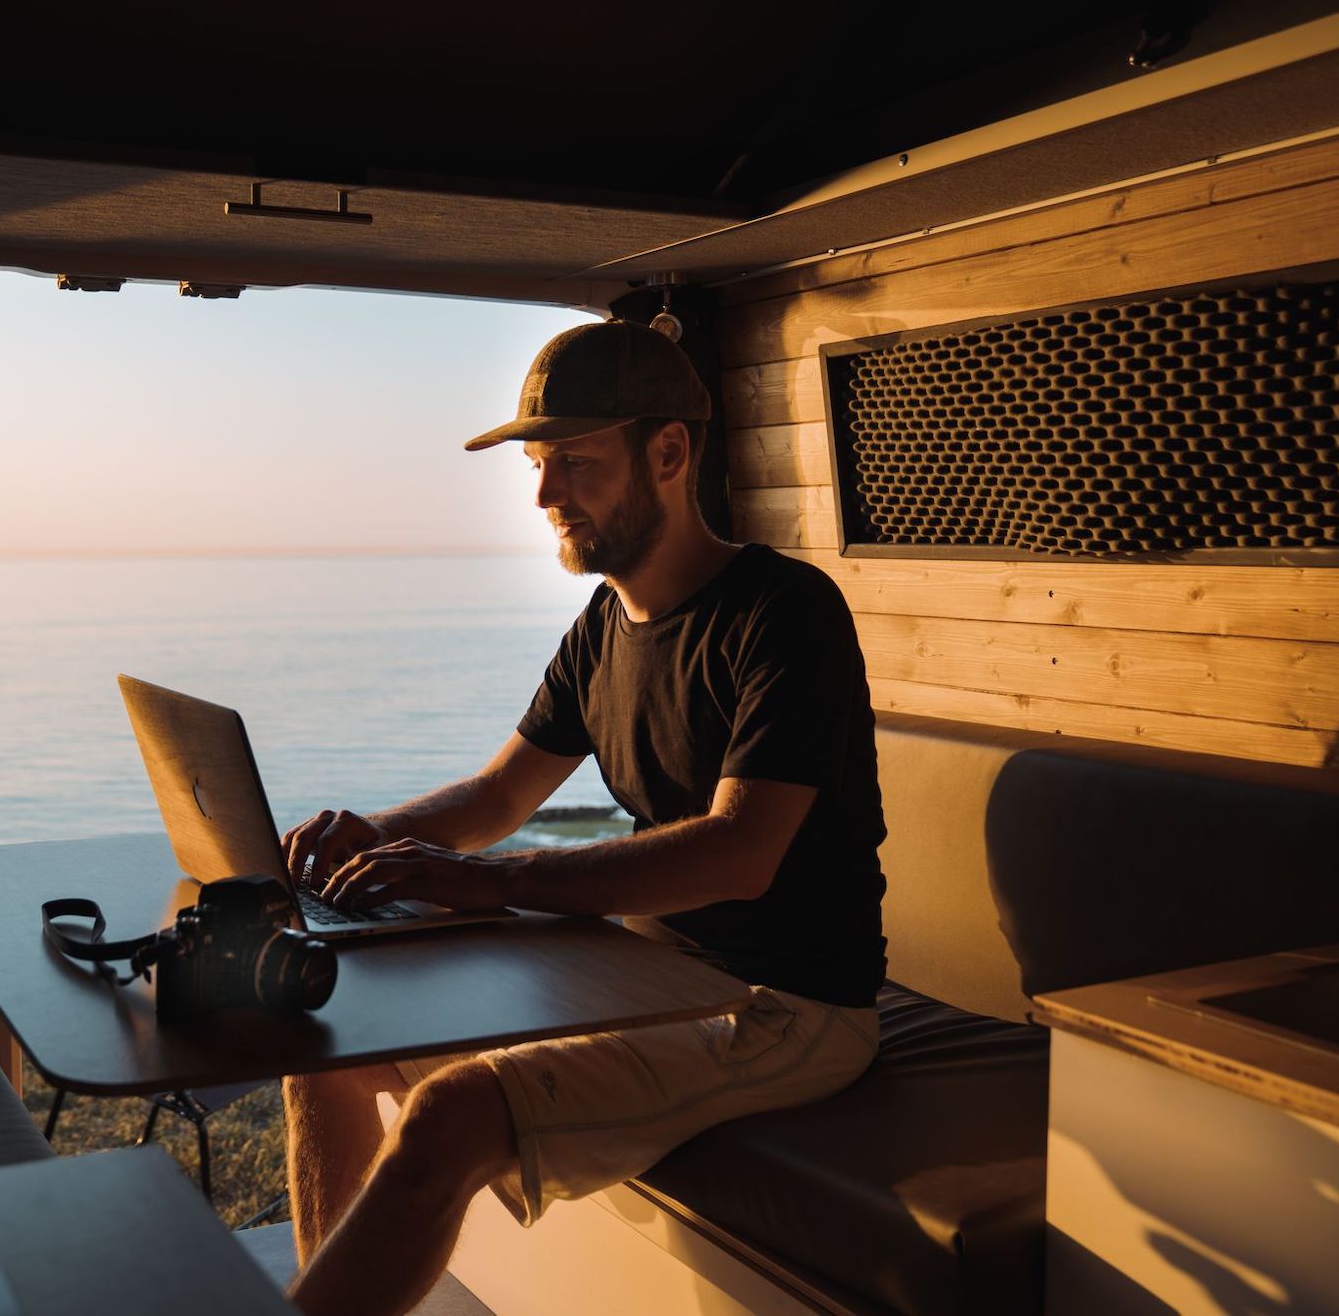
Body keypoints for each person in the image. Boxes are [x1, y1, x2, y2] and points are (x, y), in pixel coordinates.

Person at [278, 319, 886, 1316]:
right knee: (327, 1045)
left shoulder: (785, 611)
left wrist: (493, 883)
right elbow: (497, 794)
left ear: (668, 452)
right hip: (641, 970)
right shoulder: (604, 625)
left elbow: (741, 852)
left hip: (787, 1005)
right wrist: (367, 837)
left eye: (572, 462)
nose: (544, 495)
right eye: (535, 463)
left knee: (452, 1111)